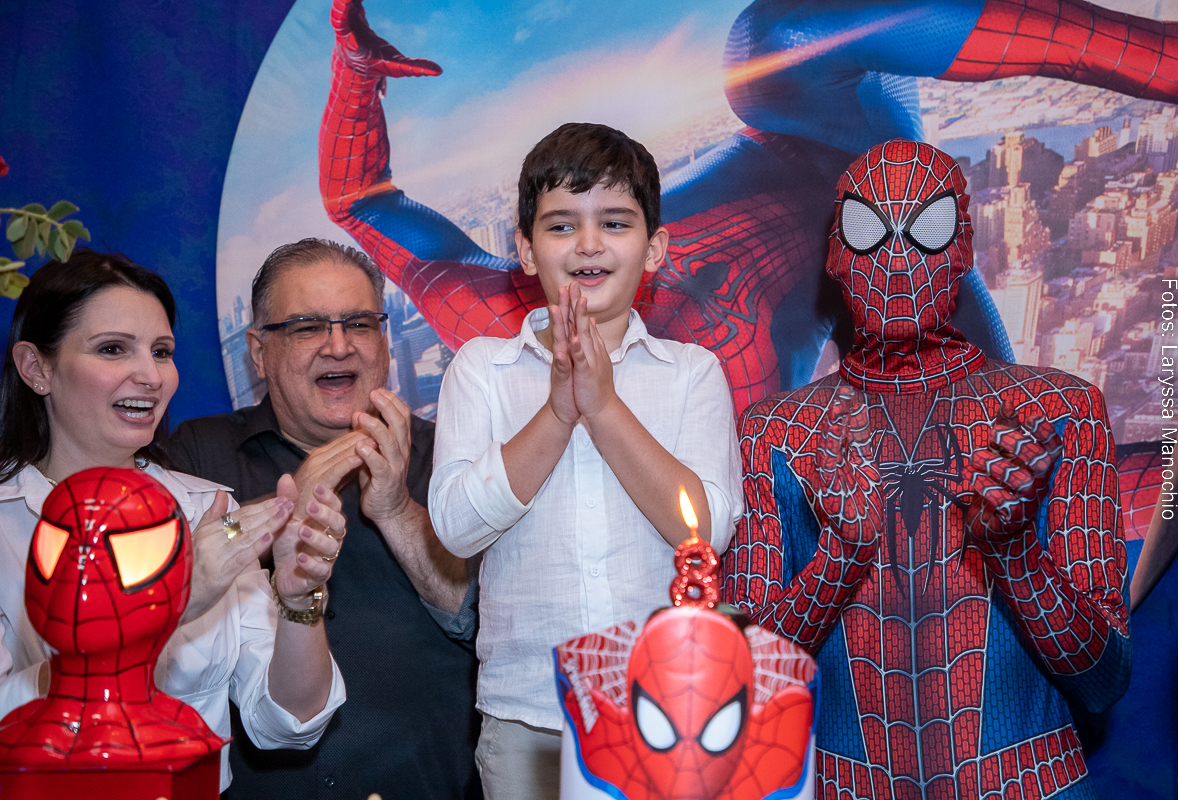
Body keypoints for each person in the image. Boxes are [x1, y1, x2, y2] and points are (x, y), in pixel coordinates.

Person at [318, 0, 1178, 417]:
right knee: (987, 447)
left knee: (768, 43)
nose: (590, 253)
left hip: (818, 132)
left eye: (604, 226)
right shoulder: (710, 448)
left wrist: (355, 78)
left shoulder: (489, 306)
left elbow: (359, 201)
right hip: (891, 286)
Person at [723, 140, 1130, 799]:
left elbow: (1105, 682)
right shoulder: (776, 433)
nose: (896, 256)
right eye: (868, 229)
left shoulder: (1060, 412)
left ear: (963, 247)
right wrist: (839, 558)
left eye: (928, 227)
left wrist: (1015, 552)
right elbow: (738, 686)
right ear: (835, 253)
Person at [429, 122, 742, 798]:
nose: (589, 244)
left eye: (616, 223)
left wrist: (603, 406)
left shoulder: (691, 372)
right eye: (562, 226)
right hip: (528, 715)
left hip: (663, 714)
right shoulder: (483, 370)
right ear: (524, 249)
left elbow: (708, 530)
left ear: (654, 249)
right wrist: (558, 412)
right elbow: (456, 527)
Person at [0, 250, 348, 792]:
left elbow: (288, 723)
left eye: (161, 352)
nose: (150, 376)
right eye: (113, 349)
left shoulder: (210, 513)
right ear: (36, 368)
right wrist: (166, 603)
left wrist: (300, 602)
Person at [167, 238, 480, 799]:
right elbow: (148, 603)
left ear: (383, 341)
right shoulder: (196, 456)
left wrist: (395, 510)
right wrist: (293, 500)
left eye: (359, 324)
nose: (339, 346)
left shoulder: (450, 456)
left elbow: (481, 621)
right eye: (307, 327)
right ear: (259, 352)